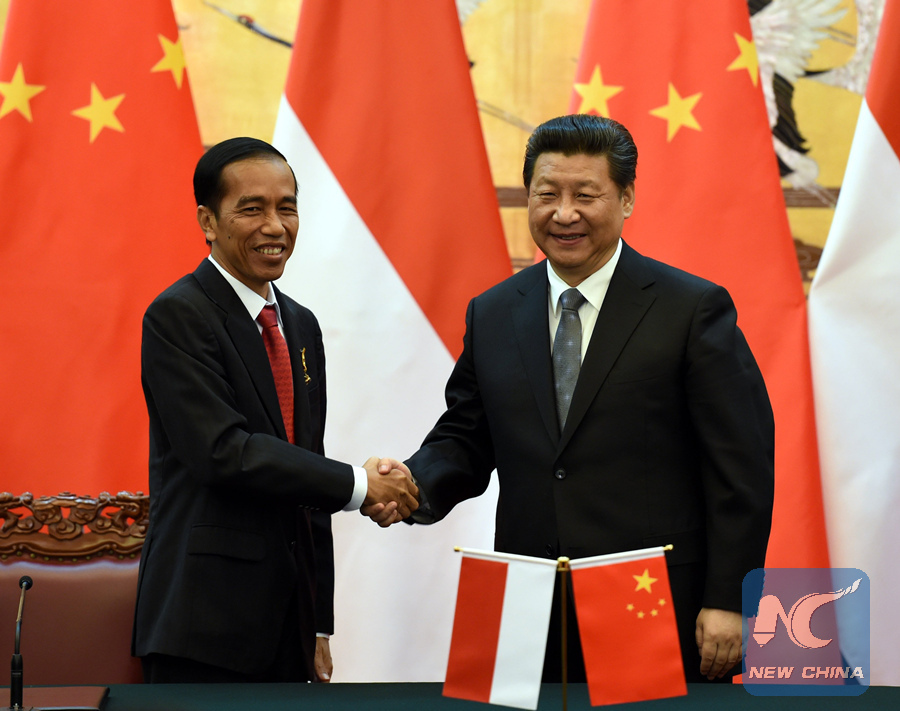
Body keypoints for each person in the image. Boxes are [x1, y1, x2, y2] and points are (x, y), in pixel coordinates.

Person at [367, 114, 774, 683]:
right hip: (519, 601)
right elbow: (466, 436)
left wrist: (729, 598)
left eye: (586, 195)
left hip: (646, 597)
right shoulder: (494, 311)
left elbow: (742, 466)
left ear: (626, 198)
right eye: (546, 194)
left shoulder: (691, 309)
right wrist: (408, 484)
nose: (564, 214)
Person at [132, 137, 418, 684]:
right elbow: (224, 452)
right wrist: (360, 486)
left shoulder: (301, 325)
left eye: (287, 207)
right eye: (252, 208)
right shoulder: (178, 316)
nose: (275, 225)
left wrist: (319, 624)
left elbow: (305, 469)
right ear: (208, 221)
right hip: (203, 627)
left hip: (290, 625)